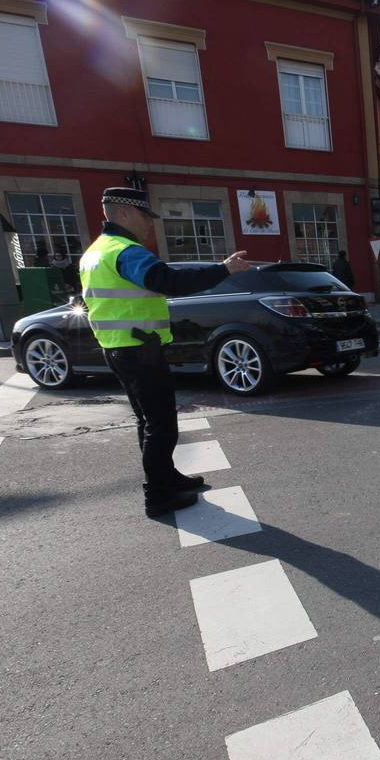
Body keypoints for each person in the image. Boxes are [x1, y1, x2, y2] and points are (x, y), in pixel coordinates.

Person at [80, 187, 250, 518]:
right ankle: (157, 496)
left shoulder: (95, 252)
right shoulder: (126, 251)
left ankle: (166, 478)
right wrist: (222, 270)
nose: (149, 225)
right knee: (161, 425)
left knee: (147, 421)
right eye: (145, 217)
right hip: (139, 348)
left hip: (119, 348)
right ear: (125, 214)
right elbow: (168, 281)